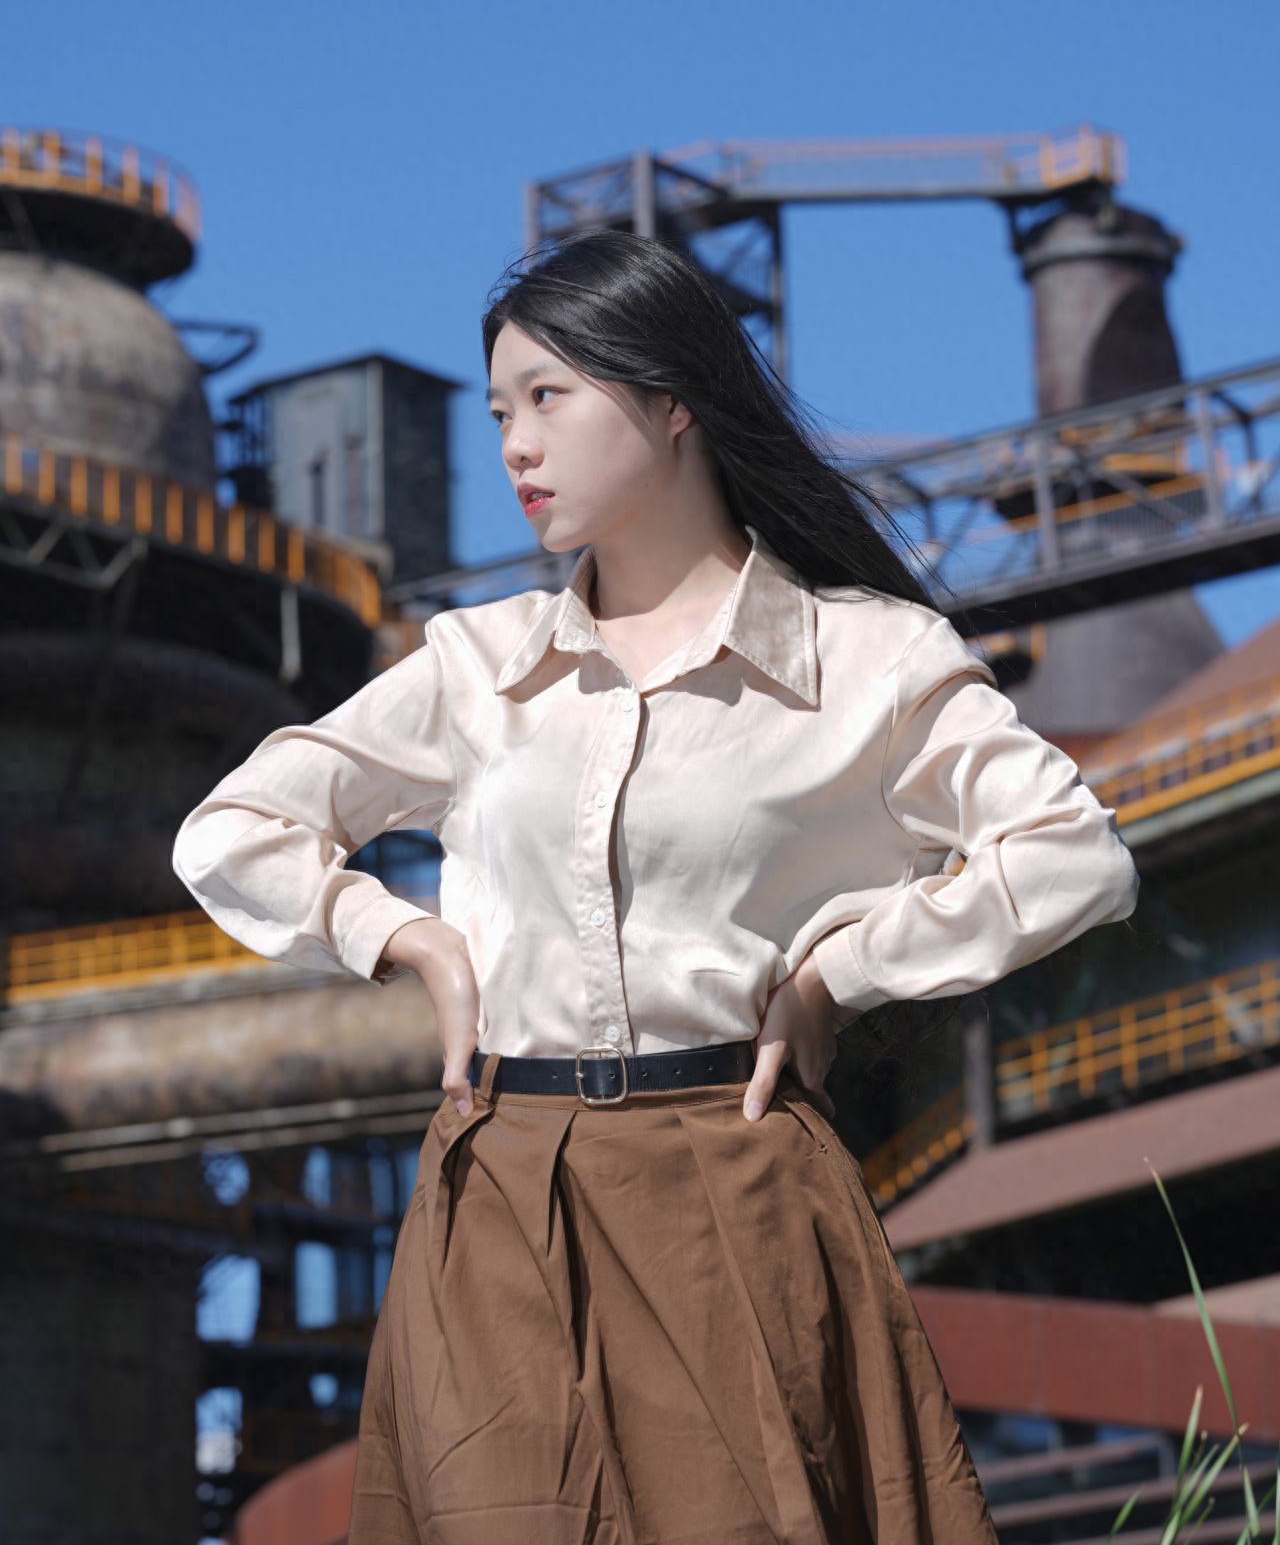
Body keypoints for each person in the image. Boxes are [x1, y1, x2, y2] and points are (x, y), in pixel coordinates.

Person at [172, 230, 1140, 1545]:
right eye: (502, 407)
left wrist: (837, 974)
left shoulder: (864, 660)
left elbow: (1070, 853)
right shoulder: (480, 665)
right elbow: (234, 829)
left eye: (550, 399)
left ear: (671, 398)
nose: (513, 443)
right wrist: (406, 940)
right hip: (498, 1189)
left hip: (731, 1185)